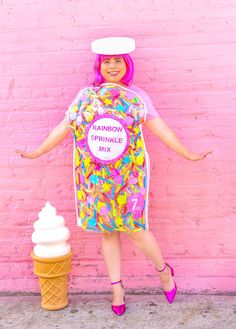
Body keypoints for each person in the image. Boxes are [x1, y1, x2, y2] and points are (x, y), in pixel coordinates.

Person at [16, 37, 212, 316]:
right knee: (108, 232)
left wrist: (187, 153)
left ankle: (164, 271)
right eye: (106, 61)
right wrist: (37, 152)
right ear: (99, 65)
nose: (112, 66)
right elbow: (65, 127)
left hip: (129, 178)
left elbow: (161, 129)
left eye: (118, 60)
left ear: (126, 65)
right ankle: (117, 288)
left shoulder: (137, 98)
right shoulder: (85, 96)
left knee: (136, 230)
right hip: (97, 178)